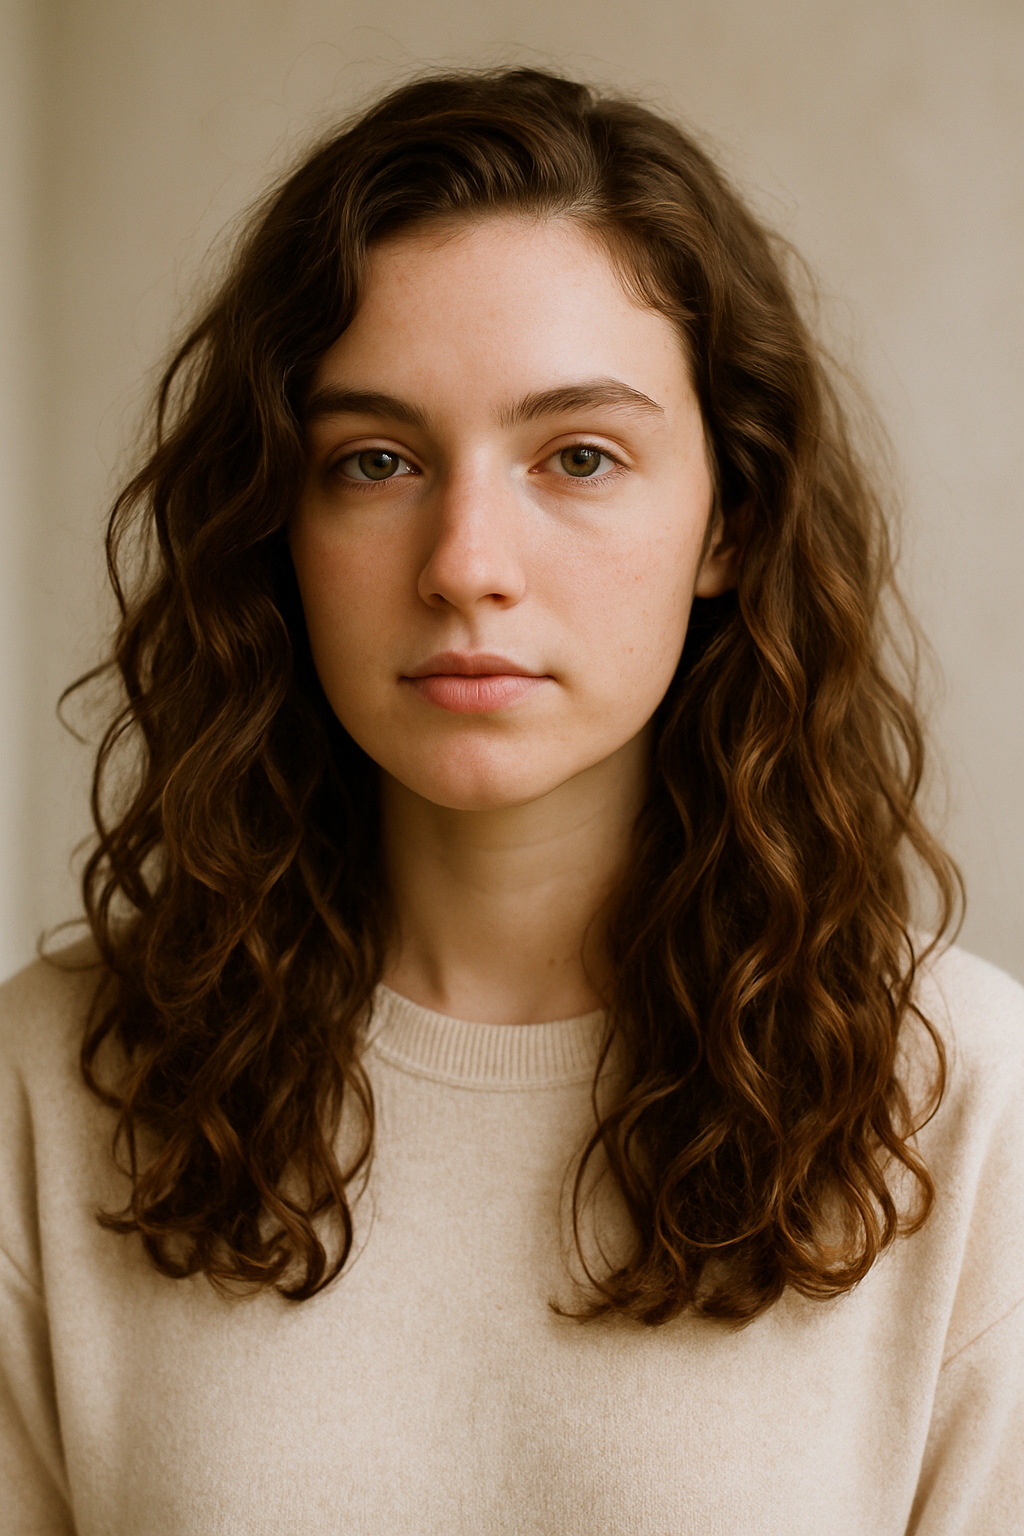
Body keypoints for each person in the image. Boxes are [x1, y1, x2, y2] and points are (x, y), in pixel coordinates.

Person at [1, 65, 1021, 1535]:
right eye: (375, 461)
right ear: (277, 523)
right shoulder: (51, 1085)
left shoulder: (968, 1111)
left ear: (728, 515)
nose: (465, 560)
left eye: (580, 456)